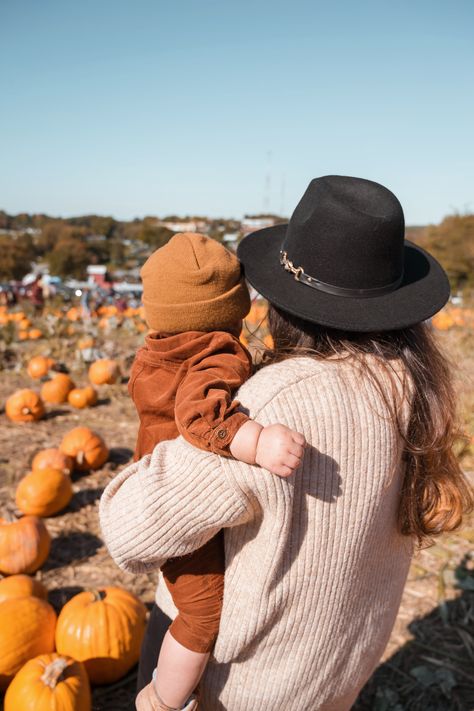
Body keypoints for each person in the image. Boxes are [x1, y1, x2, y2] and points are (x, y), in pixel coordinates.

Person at [100, 176, 473, 711]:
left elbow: (130, 532)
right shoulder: (418, 389)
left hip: (240, 689)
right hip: (332, 678)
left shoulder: (274, 402)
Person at [126, 232, 305, 710]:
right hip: (180, 507)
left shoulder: (153, 355)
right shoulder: (216, 354)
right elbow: (201, 417)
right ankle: (164, 699)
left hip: (152, 485)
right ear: (233, 309)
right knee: (202, 615)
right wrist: (257, 441)